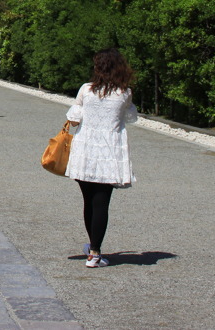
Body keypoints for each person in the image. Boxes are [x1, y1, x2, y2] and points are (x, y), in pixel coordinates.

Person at [65, 48, 138, 269]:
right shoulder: (125, 93)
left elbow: (73, 118)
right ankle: (95, 251)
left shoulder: (86, 90)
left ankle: (92, 249)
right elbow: (130, 117)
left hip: (86, 151)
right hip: (109, 153)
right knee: (102, 203)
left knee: (88, 201)